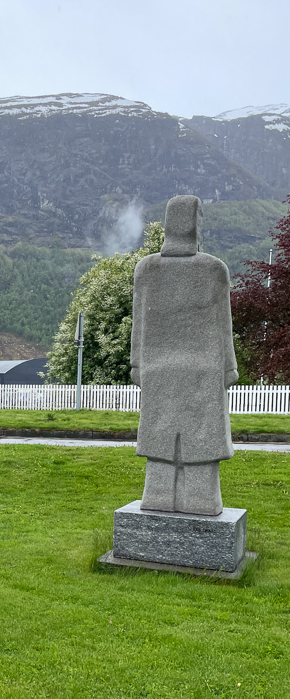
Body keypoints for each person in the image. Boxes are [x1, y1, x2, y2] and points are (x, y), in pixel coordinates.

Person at [130, 195, 238, 515]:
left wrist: (138, 363)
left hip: (156, 369)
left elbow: (139, 323)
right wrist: (229, 368)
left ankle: (160, 496)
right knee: (200, 437)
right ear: (195, 224)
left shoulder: (146, 268)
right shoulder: (213, 268)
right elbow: (224, 324)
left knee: (160, 438)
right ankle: (200, 500)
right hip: (204, 370)